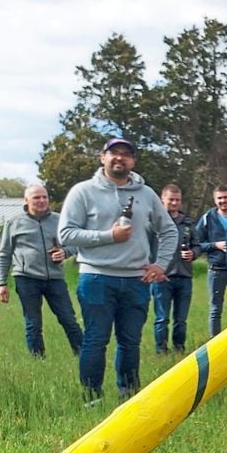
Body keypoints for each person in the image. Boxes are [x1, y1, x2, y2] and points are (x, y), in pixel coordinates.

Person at [58, 138, 177, 401]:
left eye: (126, 155)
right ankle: (92, 398)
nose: (120, 159)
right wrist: (109, 236)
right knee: (95, 340)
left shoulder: (146, 194)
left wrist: (160, 265)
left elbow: (169, 230)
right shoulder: (83, 191)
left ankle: (129, 396)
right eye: (114, 154)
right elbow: (66, 234)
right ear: (103, 158)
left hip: (136, 280)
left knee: (130, 342)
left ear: (133, 162)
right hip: (96, 277)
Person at [0, 184, 83, 357]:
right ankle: (38, 359)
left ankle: (83, 355)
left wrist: (65, 252)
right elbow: (4, 253)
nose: (42, 200)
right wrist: (1, 283)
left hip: (55, 278)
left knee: (69, 319)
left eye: (45, 197)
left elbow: (76, 242)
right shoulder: (14, 223)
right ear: (26, 200)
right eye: (37, 197)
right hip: (26, 278)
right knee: (33, 324)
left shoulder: (60, 220)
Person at [152, 184, 196, 354]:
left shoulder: (188, 223)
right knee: (162, 318)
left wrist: (193, 253)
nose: (174, 203)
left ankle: (179, 349)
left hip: (184, 276)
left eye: (177, 200)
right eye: (171, 199)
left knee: (181, 319)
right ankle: (161, 350)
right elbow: (146, 248)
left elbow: (197, 245)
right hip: (162, 277)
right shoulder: (155, 222)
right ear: (162, 199)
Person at [194, 185, 227, 337]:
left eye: (226, 197)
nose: (223, 201)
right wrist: (215, 245)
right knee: (215, 309)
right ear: (215, 200)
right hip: (216, 270)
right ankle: (215, 343)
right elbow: (197, 243)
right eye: (219, 198)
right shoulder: (207, 218)